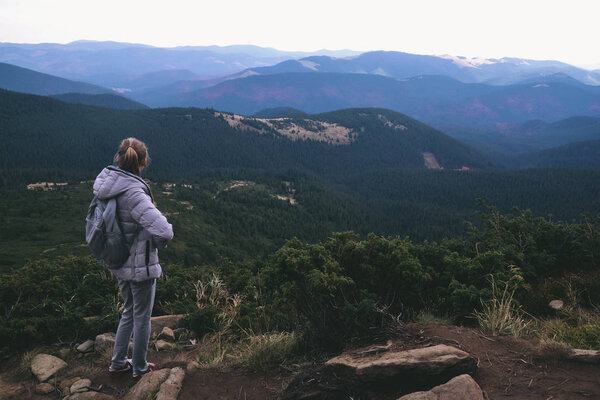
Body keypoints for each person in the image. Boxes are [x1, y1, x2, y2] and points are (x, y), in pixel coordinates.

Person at [92, 137, 173, 379]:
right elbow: (165, 231)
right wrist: (158, 244)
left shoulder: (107, 183)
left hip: (118, 261)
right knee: (142, 318)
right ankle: (139, 367)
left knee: (128, 311)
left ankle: (117, 363)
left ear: (119, 158)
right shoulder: (134, 192)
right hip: (140, 268)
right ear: (143, 162)